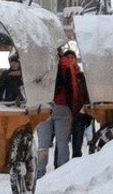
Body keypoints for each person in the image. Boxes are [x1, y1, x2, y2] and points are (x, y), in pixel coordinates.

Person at [37, 48, 84, 178]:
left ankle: (39, 172)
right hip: (62, 106)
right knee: (62, 142)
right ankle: (62, 173)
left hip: (44, 106)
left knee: (43, 144)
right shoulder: (66, 64)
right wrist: (72, 108)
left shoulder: (40, 64)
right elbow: (73, 88)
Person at [71, 67, 91, 158]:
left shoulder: (82, 77)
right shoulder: (64, 76)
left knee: (78, 135)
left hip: (79, 111)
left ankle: (76, 157)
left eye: (72, 58)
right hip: (67, 109)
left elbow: (86, 92)